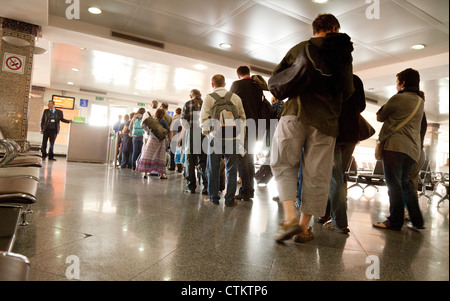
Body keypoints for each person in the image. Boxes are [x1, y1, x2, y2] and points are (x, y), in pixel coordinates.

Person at [270, 13, 354, 243]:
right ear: (335, 29)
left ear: (314, 28)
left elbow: (277, 79)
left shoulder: (300, 48)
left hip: (294, 114)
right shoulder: (343, 54)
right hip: (326, 122)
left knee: (283, 164)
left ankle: (289, 218)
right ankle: (304, 227)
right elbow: (347, 91)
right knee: (317, 174)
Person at [373, 68, 425, 231]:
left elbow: (380, 116)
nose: (396, 85)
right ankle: (417, 220)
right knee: (405, 184)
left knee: (393, 185)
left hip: (395, 147)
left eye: (398, 82)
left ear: (402, 83)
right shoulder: (420, 101)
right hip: (413, 150)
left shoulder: (399, 98)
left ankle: (395, 221)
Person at [320, 74, 367, 234]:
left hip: (333, 132)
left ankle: (339, 222)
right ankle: (325, 214)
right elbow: (361, 106)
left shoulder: (328, 78)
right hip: (352, 134)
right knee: (337, 175)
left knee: (335, 177)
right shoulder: (356, 80)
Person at [200, 74, 246, 206]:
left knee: (212, 168)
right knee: (231, 169)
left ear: (212, 84)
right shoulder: (235, 98)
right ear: (225, 84)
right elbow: (242, 118)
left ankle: (214, 198)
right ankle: (230, 200)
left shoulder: (209, 98)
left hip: (216, 137)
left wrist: (208, 133)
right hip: (232, 137)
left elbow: (203, 120)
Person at [230, 66, 265, 201]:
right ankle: (249, 190)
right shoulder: (257, 86)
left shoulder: (237, 85)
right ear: (249, 73)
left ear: (238, 75)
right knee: (249, 158)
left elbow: (231, 104)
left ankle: (246, 191)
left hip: (242, 125)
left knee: (242, 158)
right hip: (255, 125)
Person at [181, 89, 208, 194]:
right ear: (200, 95)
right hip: (204, 134)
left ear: (190, 96)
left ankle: (190, 187)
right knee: (204, 162)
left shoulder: (188, 103)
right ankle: (205, 187)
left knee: (190, 161)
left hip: (191, 134)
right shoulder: (206, 103)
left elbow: (183, 121)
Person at [136, 108, 170, 179]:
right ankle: (161, 175)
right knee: (160, 156)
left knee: (148, 155)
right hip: (160, 140)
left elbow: (148, 130)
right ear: (163, 114)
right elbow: (168, 130)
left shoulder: (152, 121)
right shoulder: (163, 121)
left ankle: (145, 174)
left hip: (151, 139)